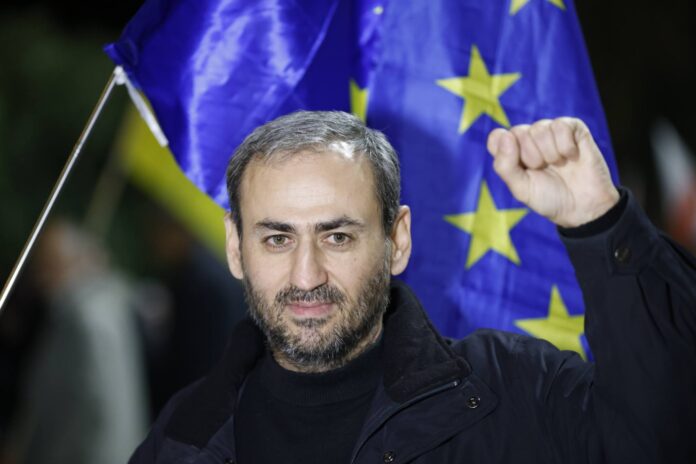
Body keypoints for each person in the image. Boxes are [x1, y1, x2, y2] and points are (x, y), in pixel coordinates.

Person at [129, 111, 696, 463]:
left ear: (397, 240)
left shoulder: (515, 391)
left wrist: (603, 226)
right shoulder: (181, 436)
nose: (306, 276)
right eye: (277, 239)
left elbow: (661, 438)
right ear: (236, 247)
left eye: (337, 237)